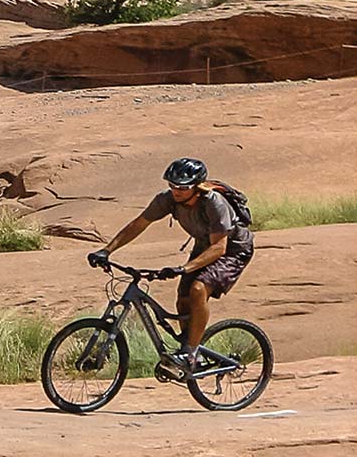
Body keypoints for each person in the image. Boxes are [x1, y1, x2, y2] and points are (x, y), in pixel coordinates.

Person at [89, 157, 254, 378]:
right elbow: (139, 223)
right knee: (183, 299)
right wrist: (107, 250)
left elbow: (219, 248)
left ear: (196, 187)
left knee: (197, 290)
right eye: (172, 185)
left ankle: (191, 355)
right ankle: (186, 347)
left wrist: (184, 268)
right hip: (204, 246)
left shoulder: (213, 203)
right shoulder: (168, 200)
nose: (176, 191)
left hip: (233, 250)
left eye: (182, 187)